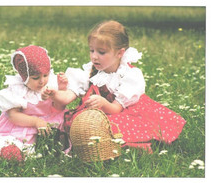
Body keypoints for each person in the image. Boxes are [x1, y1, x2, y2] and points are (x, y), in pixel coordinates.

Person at [45, 20, 186, 153]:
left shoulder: (128, 75)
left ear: (120, 53)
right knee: (76, 123)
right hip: (98, 113)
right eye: (91, 50)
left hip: (121, 112)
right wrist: (55, 94)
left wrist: (103, 103)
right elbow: (68, 97)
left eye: (101, 52)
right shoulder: (89, 72)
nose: (94, 57)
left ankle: (131, 145)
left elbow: (116, 108)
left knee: (113, 128)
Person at [0, 45, 68, 158]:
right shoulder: (17, 91)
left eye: (45, 75)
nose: (42, 81)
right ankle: (8, 152)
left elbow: (58, 108)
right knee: (17, 143)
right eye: (35, 78)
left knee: (64, 130)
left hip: (48, 119)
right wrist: (36, 122)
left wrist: (61, 89)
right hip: (24, 124)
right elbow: (13, 116)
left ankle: (55, 149)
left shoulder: (50, 84)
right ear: (24, 77)